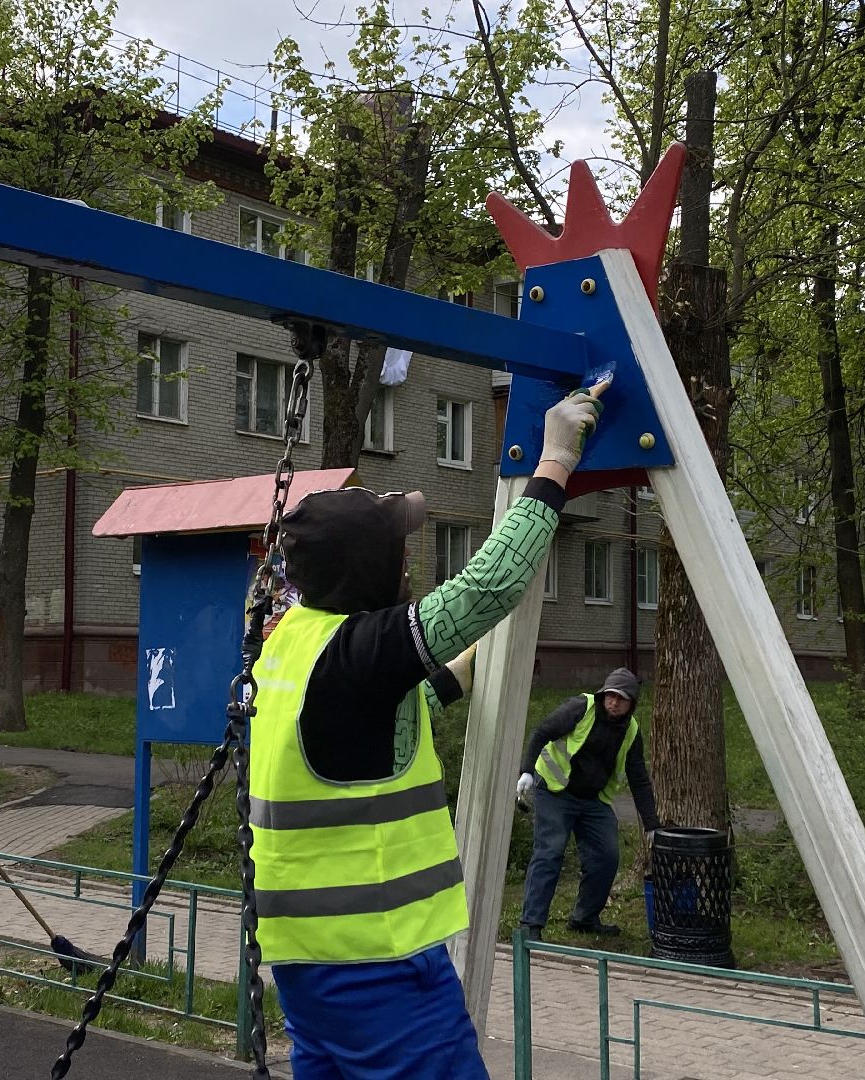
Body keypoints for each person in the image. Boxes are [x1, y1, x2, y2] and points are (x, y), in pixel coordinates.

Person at [248, 380, 607, 1080]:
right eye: (400, 547)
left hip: (306, 957)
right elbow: (488, 586)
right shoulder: (361, 650)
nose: (410, 558)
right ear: (373, 567)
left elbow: (372, 731)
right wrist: (555, 463)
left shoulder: (294, 642)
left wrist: (472, 665)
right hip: (377, 960)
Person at [515, 668, 661, 939]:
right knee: (550, 851)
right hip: (555, 791)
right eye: (610, 695)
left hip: (593, 801)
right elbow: (542, 731)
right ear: (603, 694)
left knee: (607, 857)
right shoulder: (580, 708)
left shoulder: (631, 731)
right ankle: (530, 925)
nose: (614, 702)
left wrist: (652, 825)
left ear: (632, 704)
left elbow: (639, 779)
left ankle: (584, 918)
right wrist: (525, 771)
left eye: (621, 698)